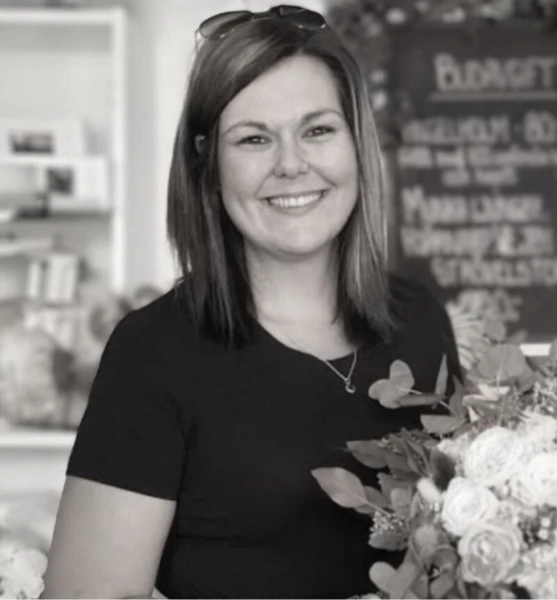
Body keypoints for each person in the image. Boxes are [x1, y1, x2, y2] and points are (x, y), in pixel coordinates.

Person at [41, 5, 461, 598]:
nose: (291, 164)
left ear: (357, 146)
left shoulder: (421, 319)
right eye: (254, 139)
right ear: (208, 166)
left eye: (318, 130)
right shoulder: (153, 352)